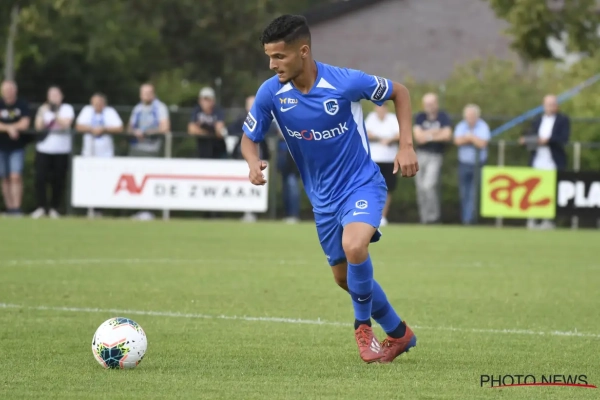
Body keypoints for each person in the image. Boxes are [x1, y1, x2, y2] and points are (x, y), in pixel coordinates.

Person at [240, 15, 419, 364]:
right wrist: (252, 162)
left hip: (361, 184)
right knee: (344, 278)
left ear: (303, 51)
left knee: (355, 246)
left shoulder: (345, 82)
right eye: (269, 57)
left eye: (279, 56)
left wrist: (406, 145)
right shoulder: (271, 93)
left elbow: (400, 92)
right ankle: (399, 334)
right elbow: (249, 139)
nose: (272, 64)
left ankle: (362, 328)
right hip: (322, 200)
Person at [31, 86, 75, 219]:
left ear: (61, 96)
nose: (54, 98)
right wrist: (43, 112)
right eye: (51, 95)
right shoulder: (43, 109)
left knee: (58, 179)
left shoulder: (67, 109)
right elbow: (38, 126)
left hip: (61, 150)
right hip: (44, 149)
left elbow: (65, 125)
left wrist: (55, 113)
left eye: (56, 95)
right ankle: (41, 207)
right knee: (40, 178)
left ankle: (54, 208)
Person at [412, 93, 452, 224]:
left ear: (436, 104)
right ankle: (424, 218)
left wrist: (427, 136)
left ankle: (433, 217)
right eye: (426, 104)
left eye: (431, 104)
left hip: (435, 155)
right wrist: (436, 132)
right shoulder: (420, 117)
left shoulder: (443, 117)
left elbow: (447, 135)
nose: (429, 106)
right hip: (420, 155)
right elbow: (418, 137)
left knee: (428, 185)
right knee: (420, 188)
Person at [453, 104, 490, 225]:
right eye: (468, 116)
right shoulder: (461, 126)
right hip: (464, 163)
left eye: (472, 116)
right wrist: (473, 139)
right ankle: (465, 218)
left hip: (478, 164)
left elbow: (482, 143)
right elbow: (457, 141)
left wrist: (470, 137)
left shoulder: (483, 126)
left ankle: (470, 219)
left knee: (474, 192)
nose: (470, 118)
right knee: (464, 192)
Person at [365, 104, 399, 226]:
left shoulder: (392, 119)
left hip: (389, 159)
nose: (380, 109)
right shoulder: (371, 118)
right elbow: (366, 133)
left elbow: (399, 134)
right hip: (374, 160)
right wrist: (381, 138)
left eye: (383, 106)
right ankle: (371, 214)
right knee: (372, 188)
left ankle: (382, 217)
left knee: (387, 189)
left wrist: (389, 140)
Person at [0, 80, 31, 216]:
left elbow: (25, 123)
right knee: (4, 177)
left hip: (17, 147)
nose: (8, 92)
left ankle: (16, 208)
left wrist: (10, 127)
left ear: (15, 90)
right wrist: (10, 128)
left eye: (10, 89)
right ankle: (9, 208)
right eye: (6, 89)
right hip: (1, 146)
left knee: (15, 176)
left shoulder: (22, 104)